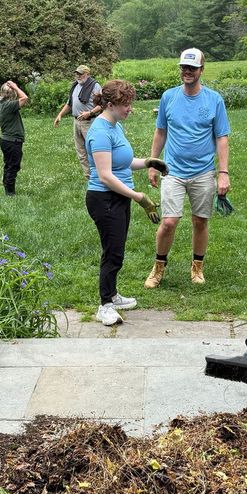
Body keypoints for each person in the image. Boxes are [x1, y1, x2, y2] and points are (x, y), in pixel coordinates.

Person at [144, 48, 230, 288]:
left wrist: (223, 172)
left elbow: (222, 137)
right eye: (184, 67)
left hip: (203, 171)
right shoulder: (168, 97)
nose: (187, 71)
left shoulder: (214, 100)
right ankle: (158, 266)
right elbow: (160, 131)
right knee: (169, 222)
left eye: (192, 68)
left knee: (200, 221)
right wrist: (153, 163)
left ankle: (197, 266)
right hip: (172, 171)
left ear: (202, 69)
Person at [84, 79, 167, 326]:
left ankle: (113, 295)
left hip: (118, 198)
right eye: (126, 104)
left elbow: (123, 162)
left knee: (117, 250)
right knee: (112, 253)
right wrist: (138, 196)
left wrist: (149, 162)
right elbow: (105, 176)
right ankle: (105, 306)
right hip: (104, 199)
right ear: (110, 105)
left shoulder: (115, 126)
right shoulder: (100, 132)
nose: (130, 108)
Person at [52, 64, 103, 180]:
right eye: (77, 74)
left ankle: (100, 175)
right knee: (81, 151)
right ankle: (89, 177)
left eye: (81, 74)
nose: (78, 76)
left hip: (89, 122)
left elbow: (102, 104)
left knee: (93, 150)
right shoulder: (75, 86)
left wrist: (89, 113)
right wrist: (60, 115)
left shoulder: (95, 86)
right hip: (76, 122)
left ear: (87, 74)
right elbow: (69, 104)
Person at [0, 80, 29, 195]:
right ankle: (10, 193)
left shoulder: (1, 105)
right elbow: (24, 98)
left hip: (6, 140)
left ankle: (7, 186)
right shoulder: (8, 106)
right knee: (13, 166)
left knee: (8, 165)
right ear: (12, 93)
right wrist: (15, 87)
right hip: (12, 141)